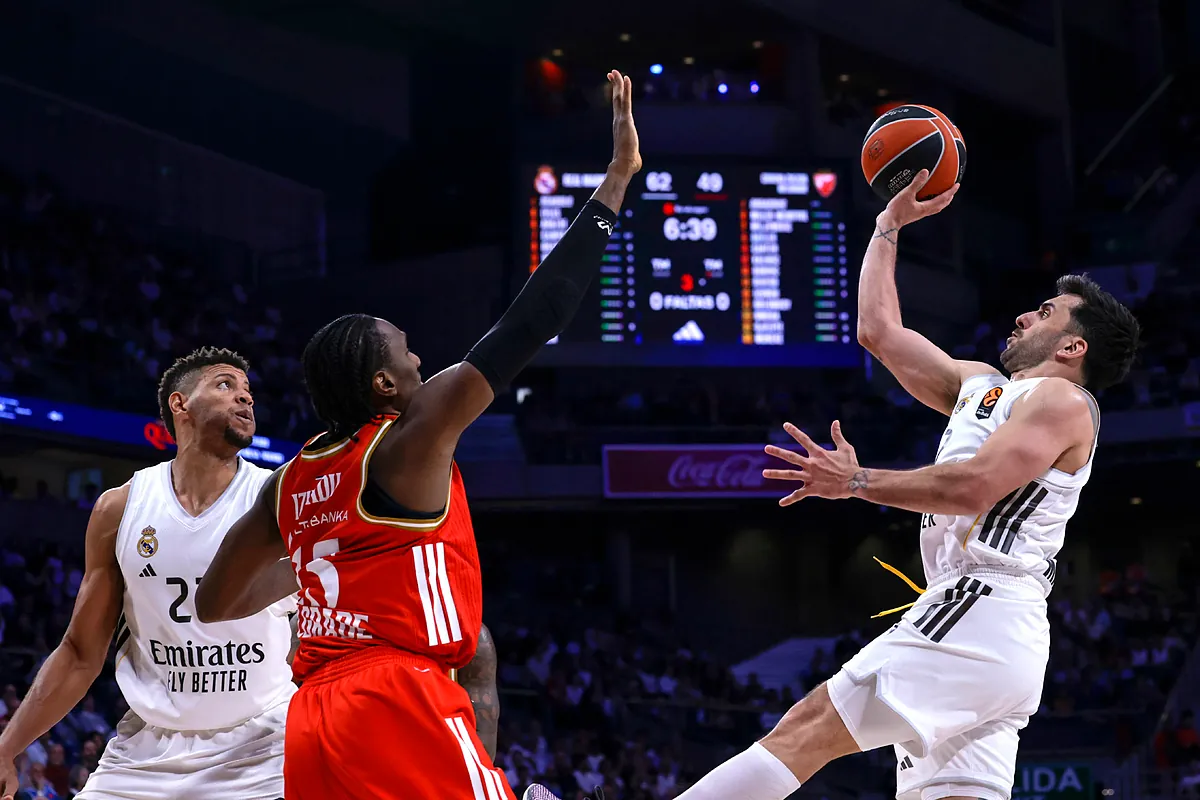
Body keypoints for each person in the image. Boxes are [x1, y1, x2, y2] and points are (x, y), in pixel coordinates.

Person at [528, 170, 1142, 800]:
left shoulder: (1064, 401)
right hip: (987, 627)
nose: (1022, 314)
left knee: (807, 729)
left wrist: (854, 480)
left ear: (1072, 345)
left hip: (983, 602)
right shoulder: (982, 385)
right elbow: (878, 332)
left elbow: (972, 488)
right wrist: (887, 228)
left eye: (1044, 312)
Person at [194, 69, 642, 799]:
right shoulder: (406, 441)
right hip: (396, 696)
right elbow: (534, 319)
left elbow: (215, 602)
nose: (421, 359)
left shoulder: (293, 480)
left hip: (315, 718)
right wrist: (616, 182)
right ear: (383, 384)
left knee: (481, 652)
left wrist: (315, 579)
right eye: (407, 350)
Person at [0, 348, 300, 800]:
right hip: (147, 751)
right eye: (225, 385)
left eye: (248, 391)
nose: (245, 398)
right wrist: (7, 749)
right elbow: (81, 653)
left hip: (261, 748)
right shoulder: (120, 508)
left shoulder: (277, 497)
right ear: (180, 405)